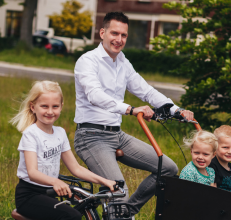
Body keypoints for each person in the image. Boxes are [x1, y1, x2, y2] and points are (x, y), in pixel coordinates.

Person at [73, 11, 194, 215]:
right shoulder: (88, 61)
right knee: (119, 190)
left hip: (116, 135)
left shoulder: (122, 62)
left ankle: (126, 212)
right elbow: (95, 95)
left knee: (168, 169)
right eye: (114, 33)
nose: (119, 40)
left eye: (123, 35)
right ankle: (119, 210)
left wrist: (176, 110)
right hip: (91, 137)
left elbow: (146, 91)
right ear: (102, 32)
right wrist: (130, 109)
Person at [11, 81, 116, 220]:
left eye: (55, 106)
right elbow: (32, 173)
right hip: (29, 195)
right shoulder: (31, 134)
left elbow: (76, 168)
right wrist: (55, 182)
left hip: (49, 193)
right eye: (44, 106)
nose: (50, 111)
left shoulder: (60, 133)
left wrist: (104, 181)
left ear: (61, 107)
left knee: (87, 204)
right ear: (33, 107)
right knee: (72, 216)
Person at [209, 125, 231, 193]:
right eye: (225, 147)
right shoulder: (212, 165)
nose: (230, 152)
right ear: (215, 147)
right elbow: (212, 191)